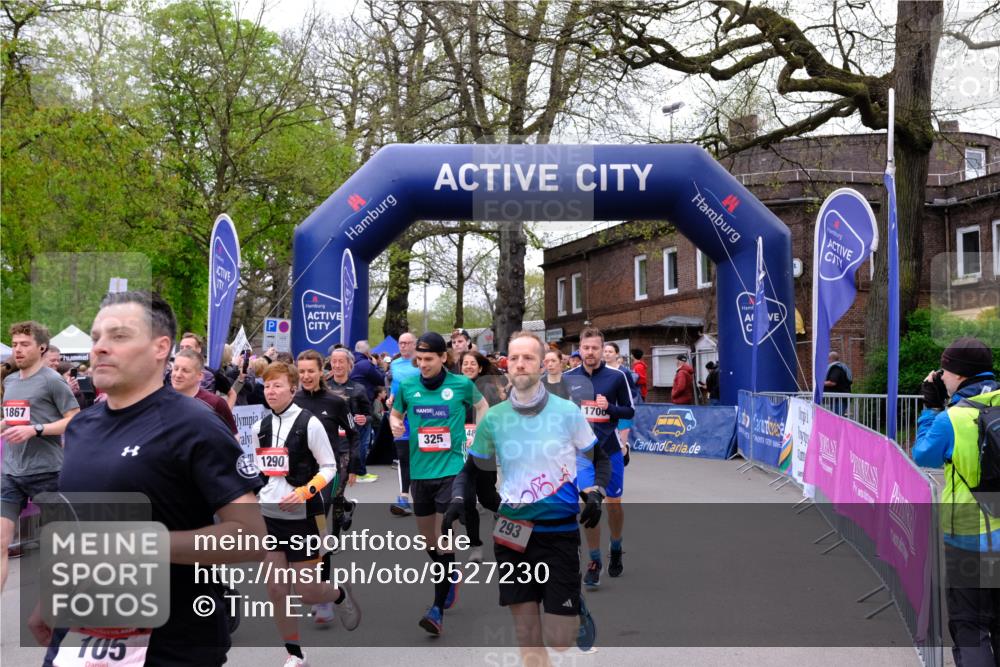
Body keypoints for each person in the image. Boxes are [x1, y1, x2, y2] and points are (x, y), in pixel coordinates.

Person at [37, 291, 268, 666]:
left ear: (161, 348)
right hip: (78, 636)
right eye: (96, 337)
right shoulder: (80, 427)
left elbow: (249, 537)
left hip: (172, 644)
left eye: (119, 336)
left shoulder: (195, 424)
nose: (100, 347)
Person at [446, 331, 611, 663]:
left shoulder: (567, 412)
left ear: (541, 365)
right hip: (513, 533)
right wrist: (458, 498)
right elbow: (470, 470)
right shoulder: (495, 418)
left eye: (528, 358)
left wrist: (596, 493)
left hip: (559, 533)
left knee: (560, 641)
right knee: (528, 638)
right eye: (514, 358)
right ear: (507, 365)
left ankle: (574, 607)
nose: (520, 364)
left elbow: (600, 459)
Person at [252, 360, 362, 666]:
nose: (270, 391)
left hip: (303, 517)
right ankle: (295, 654)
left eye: (277, 385)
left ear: (292, 389)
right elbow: (260, 472)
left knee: (308, 592)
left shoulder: (309, 423)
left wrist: (305, 491)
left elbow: (329, 467)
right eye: (267, 386)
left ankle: (339, 594)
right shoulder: (259, 427)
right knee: (276, 589)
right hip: (269, 516)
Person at [389, 332, 489, 635]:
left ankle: (436, 610)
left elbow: (483, 407)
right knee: (428, 541)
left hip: (452, 472)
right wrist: (395, 424)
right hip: (421, 474)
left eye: (428, 359)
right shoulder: (408, 386)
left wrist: (478, 437)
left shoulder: (461, 385)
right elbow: (395, 414)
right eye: (419, 359)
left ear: (443, 358)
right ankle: (451, 573)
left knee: (444, 536)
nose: (422, 364)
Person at [912, 337, 998, 666]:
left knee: (970, 626)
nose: (941, 377)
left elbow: (923, 455)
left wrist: (931, 409)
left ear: (960, 375)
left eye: (944, 371)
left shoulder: (953, 419)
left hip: (970, 535)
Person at [1, 321, 79, 590]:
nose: (17, 350)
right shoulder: (10, 381)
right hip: (10, 472)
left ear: (42, 348)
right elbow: (14, 419)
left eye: (24, 344)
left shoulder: (52, 380)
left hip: (46, 472)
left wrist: (36, 429)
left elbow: (74, 419)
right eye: (15, 345)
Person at [564, 327, 634, 587]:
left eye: (595, 348)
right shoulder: (568, 378)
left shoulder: (616, 376)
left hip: (610, 450)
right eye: (586, 348)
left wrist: (609, 407)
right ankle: (594, 560)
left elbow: (630, 410)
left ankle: (615, 546)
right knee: (590, 506)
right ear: (579, 349)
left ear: (602, 350)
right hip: (583, 454)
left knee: (613, 504)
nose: (590, 352)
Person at [459, 350, 506, 563]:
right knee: (468, 500)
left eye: (472, 364)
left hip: (484, 449)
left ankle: (507, 516)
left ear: (480, 368)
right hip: (461, 451)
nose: (468, 367)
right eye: (465, 363)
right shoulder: (455, 387)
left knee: (487, 497)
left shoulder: (488, 388)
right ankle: (475, 545)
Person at [170, 348, 239, 436]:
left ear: (200, 376)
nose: (178, 375)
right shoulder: (162, 401)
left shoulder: (215, 403)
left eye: (185, 371)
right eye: (175, 369)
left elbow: (234, 436)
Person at [388, 332, 420, 516]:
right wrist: (391, 396)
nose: (403, 346)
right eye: (401, 343)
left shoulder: (421, 363)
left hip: (420, 416)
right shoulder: (395, 364)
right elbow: (395, 385)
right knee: (403, 455)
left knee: (421, 455)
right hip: (400, 415)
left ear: (415, 344)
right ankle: (403, 497)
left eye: (407, 343)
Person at [350, 340, 385, 483]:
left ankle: (354, 470)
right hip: (363, 404)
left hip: (351, 404)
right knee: (363, 440)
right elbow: (380, 379)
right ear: (367, 352)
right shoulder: (366, 364)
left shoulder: (352, 362)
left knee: (354, 439)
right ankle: (360, 472)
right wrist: (377, 365)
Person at [824, 351, 853, 416]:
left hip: (839, 399)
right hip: (839, 398)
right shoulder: (841, 367)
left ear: (830, 359)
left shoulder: (836, 368)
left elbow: (832, 382)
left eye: (827, 359)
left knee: (837, 417)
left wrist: (820, 384)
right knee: (836, 417)